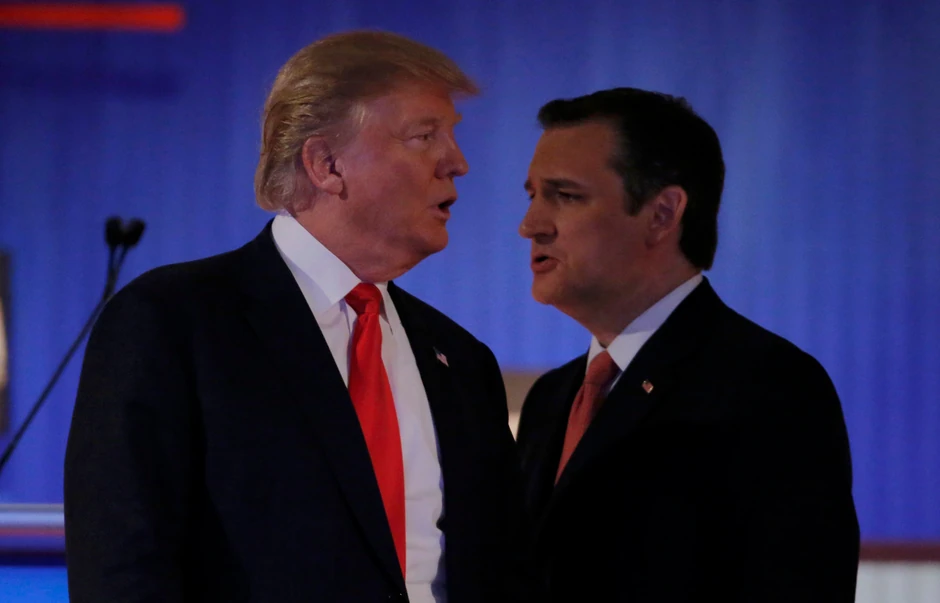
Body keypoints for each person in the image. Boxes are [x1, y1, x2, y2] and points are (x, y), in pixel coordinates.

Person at [65, 30, 526, 603]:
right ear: (326, 163)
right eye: (424, 136)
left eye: (451, 137)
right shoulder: (172, 322)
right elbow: (122, 568)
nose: (457, 162)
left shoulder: (462, 361)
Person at [515, 87, 859, 602]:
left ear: (662, 213)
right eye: (532, 196)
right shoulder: (551, 398)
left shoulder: (770, 386)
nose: (531, 225)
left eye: (565, 195)